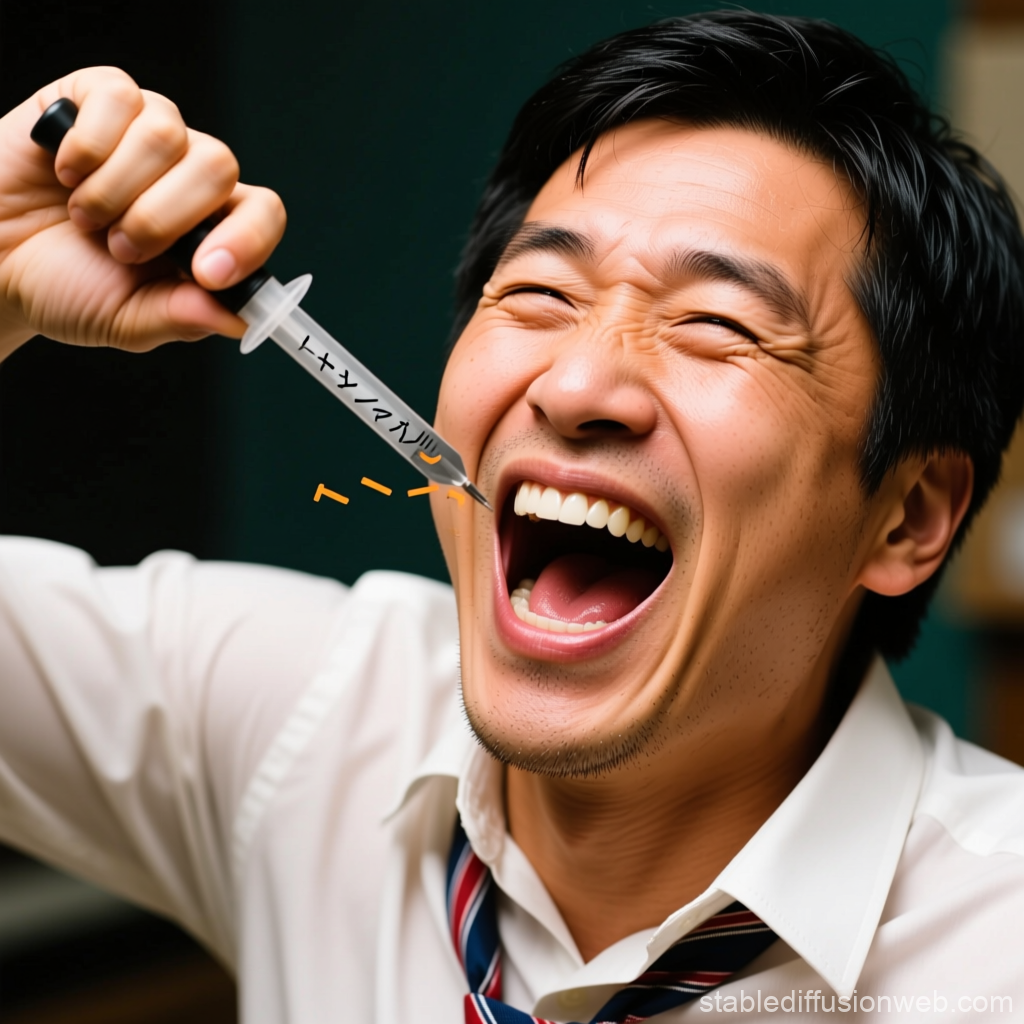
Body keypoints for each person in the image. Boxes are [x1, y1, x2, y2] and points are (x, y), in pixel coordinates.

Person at [1, 11, 1023, 1022]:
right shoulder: (301, 715)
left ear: (905, 517)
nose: (577, 383)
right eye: (537, 291)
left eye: (717, 323)